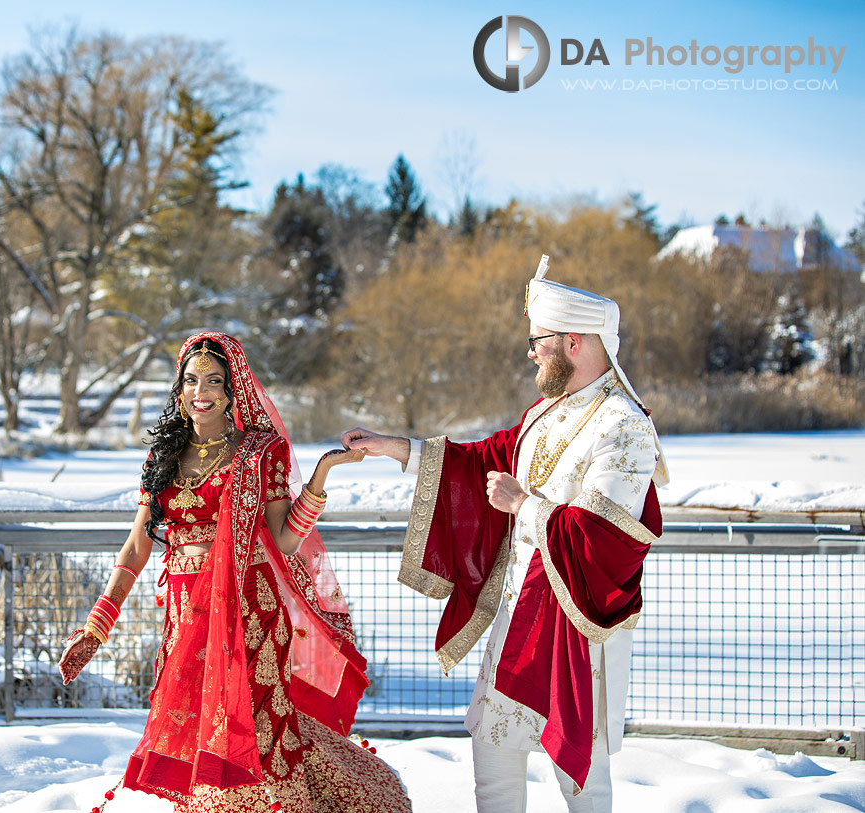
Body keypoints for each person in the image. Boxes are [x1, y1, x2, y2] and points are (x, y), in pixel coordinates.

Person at [342, 257, 668, 813]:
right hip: (518, 619)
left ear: (572, 342)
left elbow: (603, 537)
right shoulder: (545, 413)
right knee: (492, 755)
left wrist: (524, 505)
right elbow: (481, 462)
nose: (530, 351)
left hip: (576, 629)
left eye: (537, 340)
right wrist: (395, 447)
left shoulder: (624, 425)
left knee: (582, 782)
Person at [59, 332, 413, 813]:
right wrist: (96, 627)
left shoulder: (258, 452)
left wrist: (322, 474)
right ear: (179, 387)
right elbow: (137, 547)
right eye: (190, 380)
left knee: (258, 732)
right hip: (186, 615)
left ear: (233, 388)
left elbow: (286, 539)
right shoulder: (162, 457)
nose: (200, 391)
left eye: (213, 381)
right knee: (202, 729)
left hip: (251, 612)